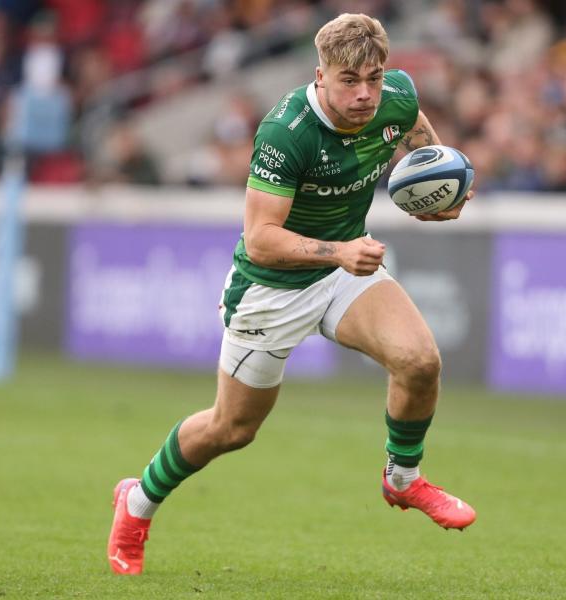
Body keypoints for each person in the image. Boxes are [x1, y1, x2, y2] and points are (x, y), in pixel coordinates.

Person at [107, 13, 477, 575]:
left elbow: (418, 140)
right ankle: (136, 502)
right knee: (233, 429)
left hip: (343, 274)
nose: (364, 94)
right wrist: (339, 252)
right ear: (320, 75)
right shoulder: (287, 131)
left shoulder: (396, 96)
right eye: (349, 81)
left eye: (373, 79)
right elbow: (260, 241)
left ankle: (402, 481)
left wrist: (435, 187)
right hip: (272, 289)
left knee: (419, 361)